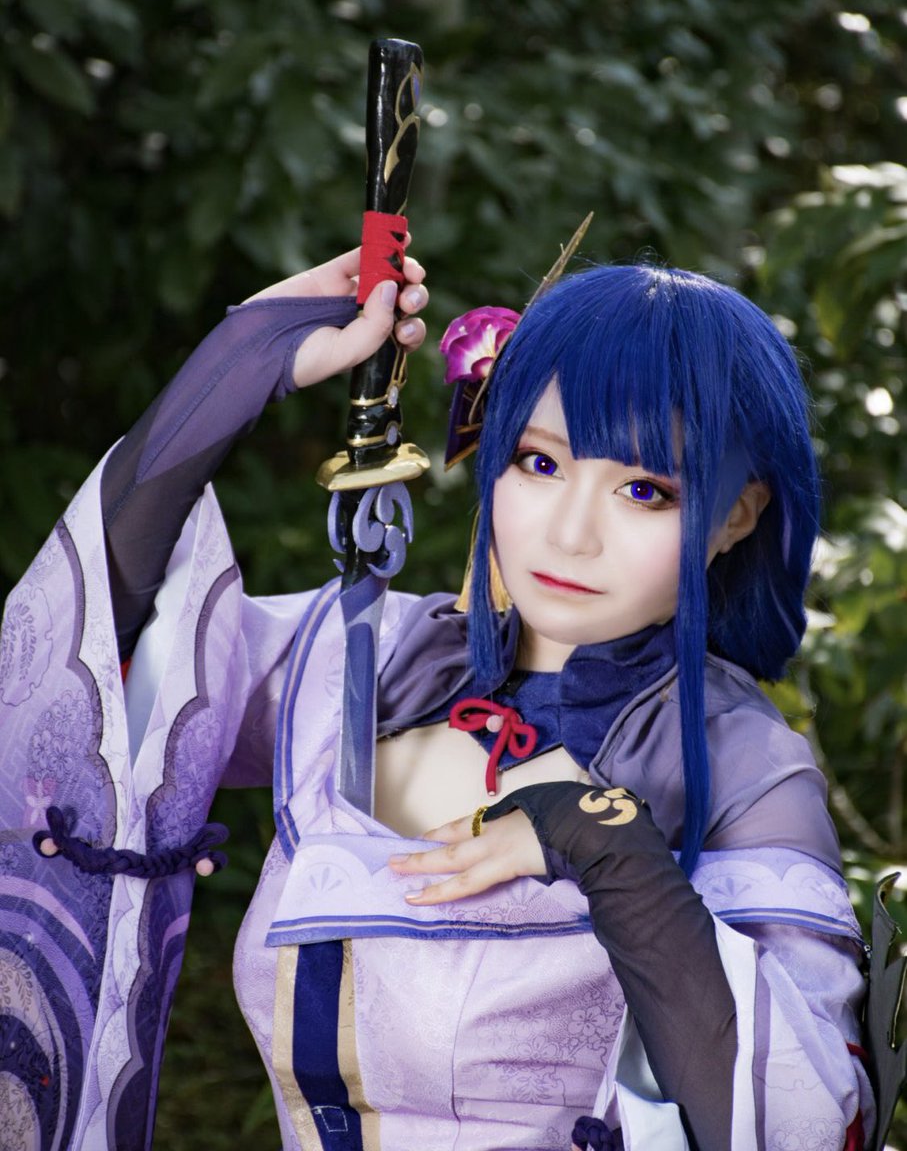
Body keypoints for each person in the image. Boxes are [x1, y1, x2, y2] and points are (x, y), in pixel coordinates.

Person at [0, 241, 874, 1151]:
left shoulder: (743, 764)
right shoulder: (369, 657)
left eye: (644, 490)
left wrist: (605, 845)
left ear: (736, 516)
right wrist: (240, 365)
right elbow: (83, 667)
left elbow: (803, 1126)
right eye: (538, 464)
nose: (571, 534)